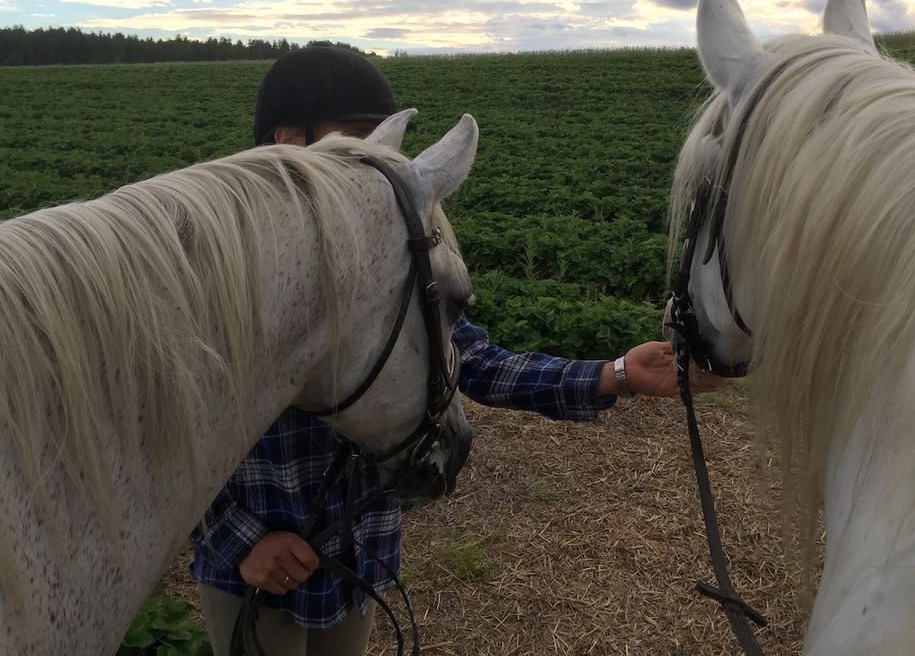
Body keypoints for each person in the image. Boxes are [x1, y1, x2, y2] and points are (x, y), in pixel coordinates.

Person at [190, 46, 724, 656]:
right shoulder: (223, 270)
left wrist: (614, 375)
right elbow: (162, 436)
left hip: (358, 546)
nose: (376, 165)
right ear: (289, 139)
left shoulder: (375, 263)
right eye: (356, 140)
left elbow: (469, 357)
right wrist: (241, 540)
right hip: (257, 568)